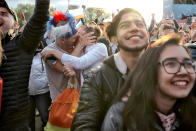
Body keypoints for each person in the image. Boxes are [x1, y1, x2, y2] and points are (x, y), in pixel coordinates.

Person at [71, 8, 149, 130]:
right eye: (125, 25)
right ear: (114, 39)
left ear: (147, 34)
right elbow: (83, 124)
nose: (135, 28)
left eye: (140, 24)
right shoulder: (96, 78)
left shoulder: (165, 71)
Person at [101, 34, 196, 131]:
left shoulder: (191, 113)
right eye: (171, 64)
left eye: (188, 64)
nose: (184, 71)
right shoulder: (122, 117)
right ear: (151, 71)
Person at [0, 0, 50, 130]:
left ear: (14, 23)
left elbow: (40, 17)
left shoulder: (22, 45)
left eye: (3, 13)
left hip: (14, 126)